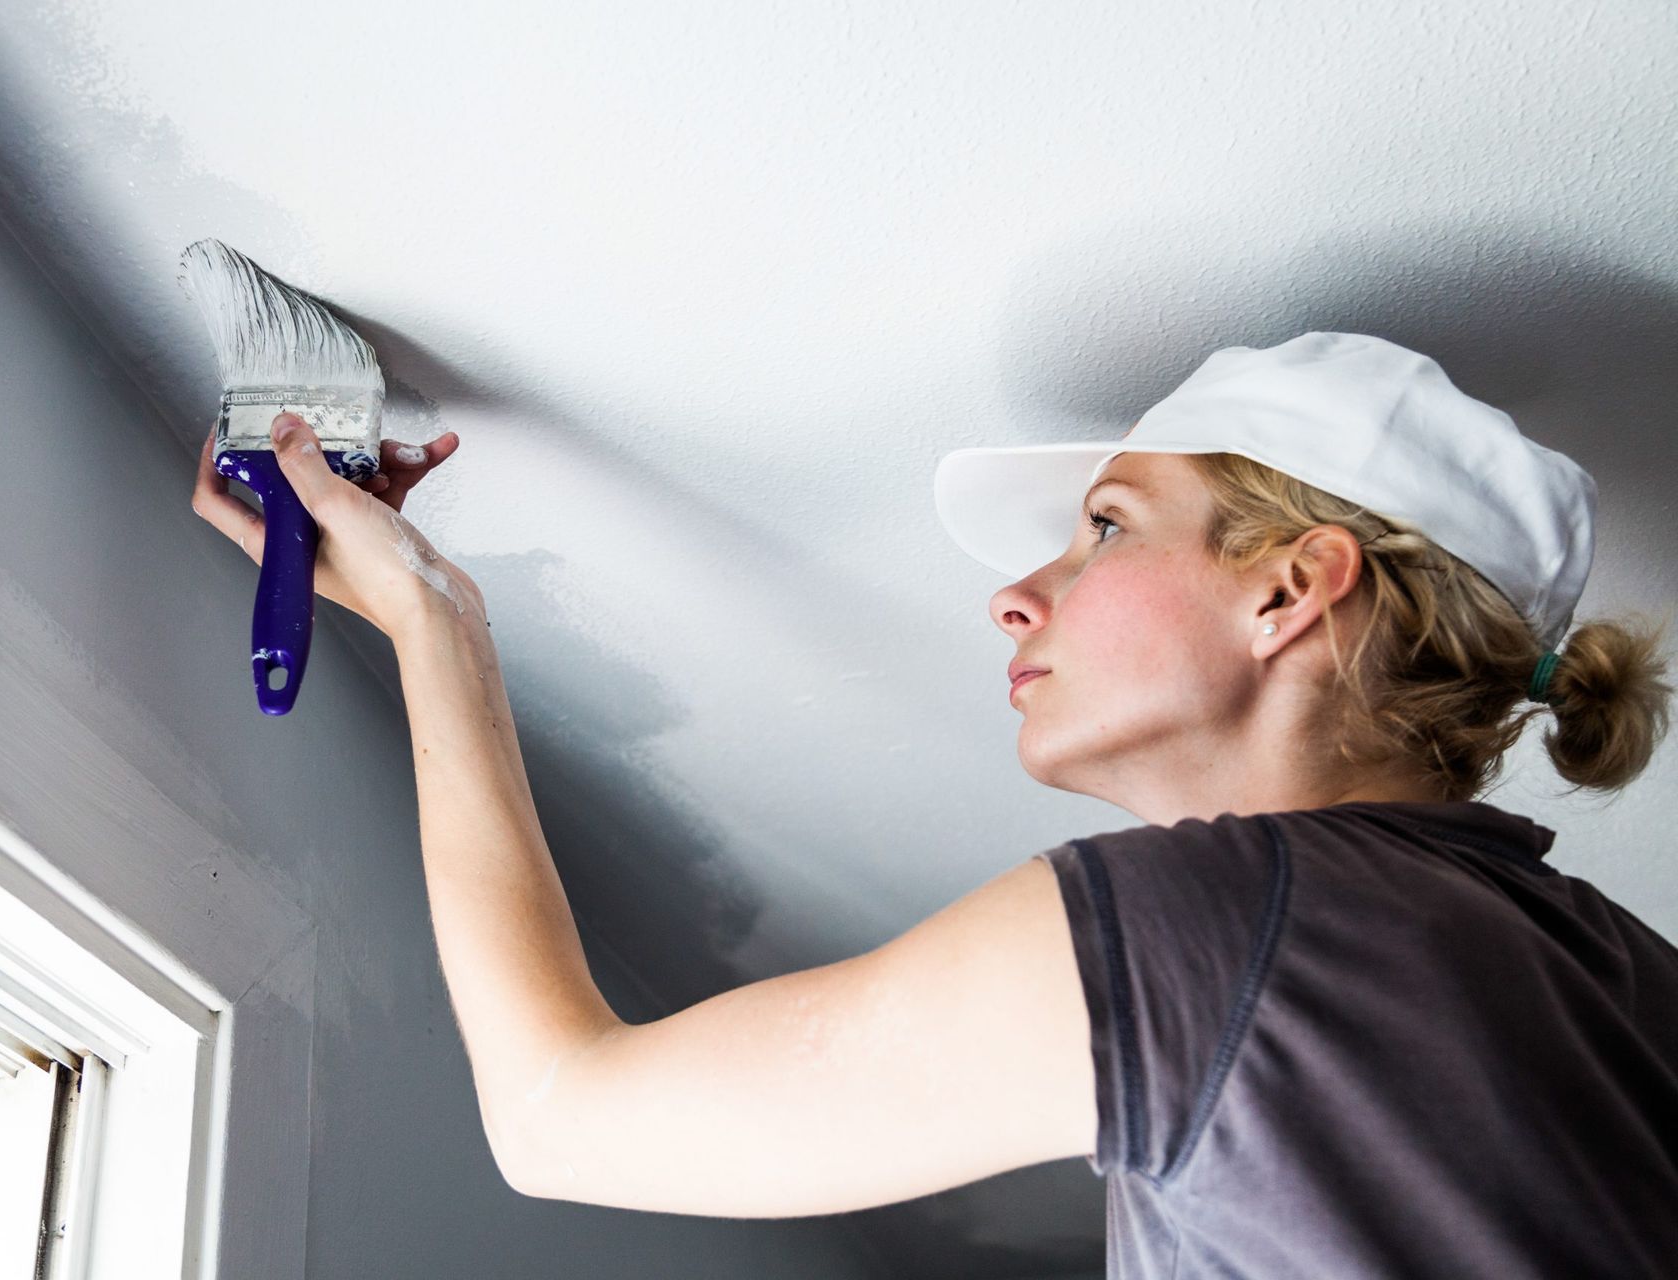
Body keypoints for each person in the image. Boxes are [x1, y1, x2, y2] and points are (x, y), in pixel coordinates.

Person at [192, 331, 1677, 1278]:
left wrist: (434, 625)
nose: (1015, 596)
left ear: (1290, 591)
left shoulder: (1227, 932)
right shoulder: (1626, 976)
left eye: (1105, 529)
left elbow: (563, 1117)